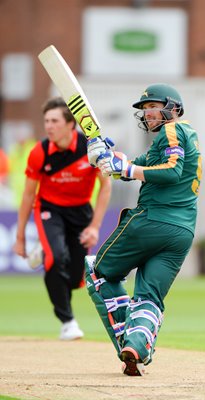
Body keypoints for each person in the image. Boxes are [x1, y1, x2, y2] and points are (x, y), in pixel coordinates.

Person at [85, 83, 202, 375]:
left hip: (152, 221)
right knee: (149, 296)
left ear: (173, 108)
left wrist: (126, 169)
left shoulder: (173, 130)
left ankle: (125, 337)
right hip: (182, 232)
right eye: (145, 109)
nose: (149, 114)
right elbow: (130, 166)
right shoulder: (177, 137)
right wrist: (104, 156)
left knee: (99, 273)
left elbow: (172, 171)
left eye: (153, 107)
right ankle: (136, 345)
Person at [13, 97, 112, 340]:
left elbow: (106, 186)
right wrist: (20, 237)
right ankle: (67, 321)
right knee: (56, 259)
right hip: (50, 210)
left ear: (70, 125)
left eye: (54, 121)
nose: (49, 126)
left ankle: (50, 262)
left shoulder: (90, 149)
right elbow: (28, 195)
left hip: (80, 213)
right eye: (46, 121)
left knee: (75, 275)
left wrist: (95, 226)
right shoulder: (41, 152)